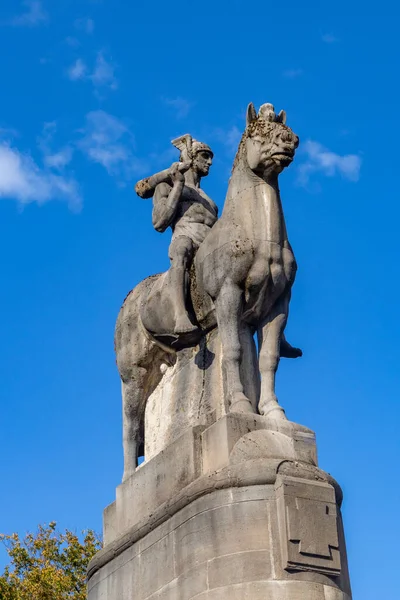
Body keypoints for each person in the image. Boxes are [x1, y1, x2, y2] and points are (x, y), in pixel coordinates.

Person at [151, 136, 217, 333]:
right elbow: (160, 222)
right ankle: (180, 315)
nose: (210, 162)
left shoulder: (209, 200)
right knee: (182, 249)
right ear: (190, 157)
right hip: (185, 238)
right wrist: (178, 185)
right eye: (205, 156)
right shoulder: (167, 186)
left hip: (209, 245)